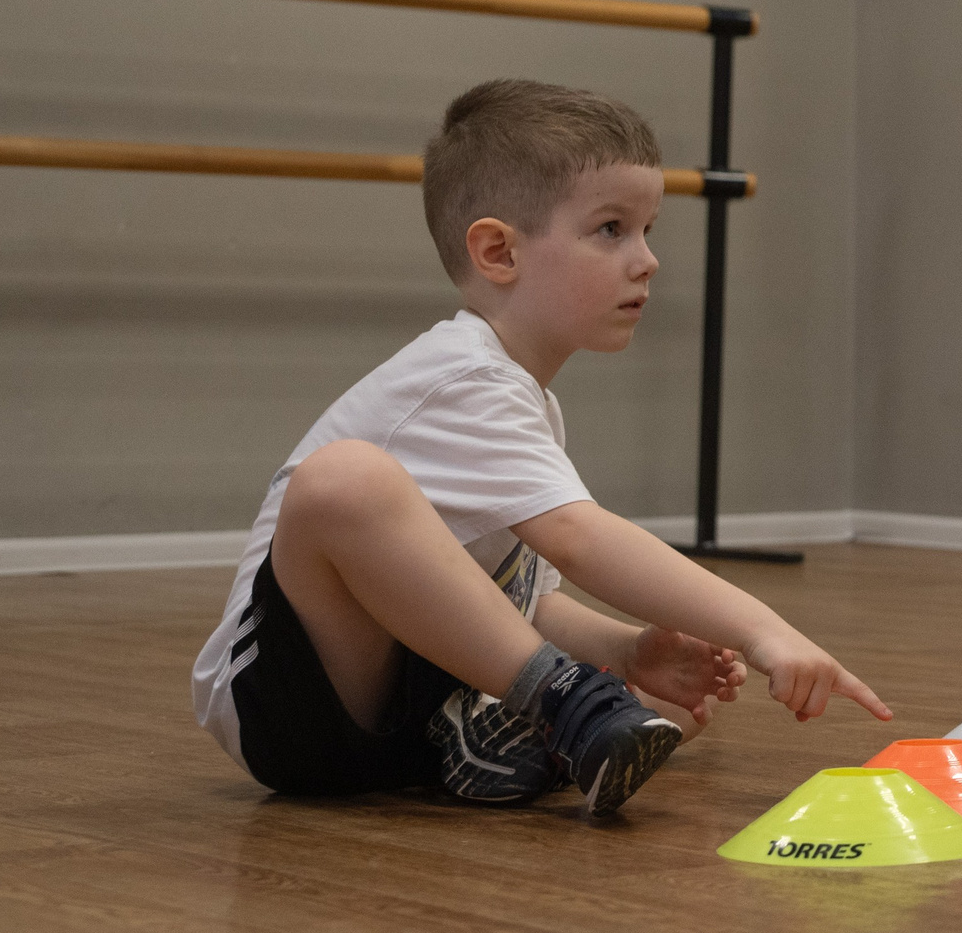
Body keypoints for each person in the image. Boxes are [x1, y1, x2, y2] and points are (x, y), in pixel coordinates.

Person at [193, 79, 889, 818]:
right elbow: (581, 539)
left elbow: (526, 597)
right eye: (612, 229)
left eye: (649, 230)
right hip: (288, 713)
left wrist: (624, 651)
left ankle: (504, 742)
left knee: (667, 706)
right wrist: (763, 630)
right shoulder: (463, 375)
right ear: (498, 251)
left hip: (403, 712)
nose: (647, 259)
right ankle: (563, 706)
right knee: (343, 482)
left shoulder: (530, 400)